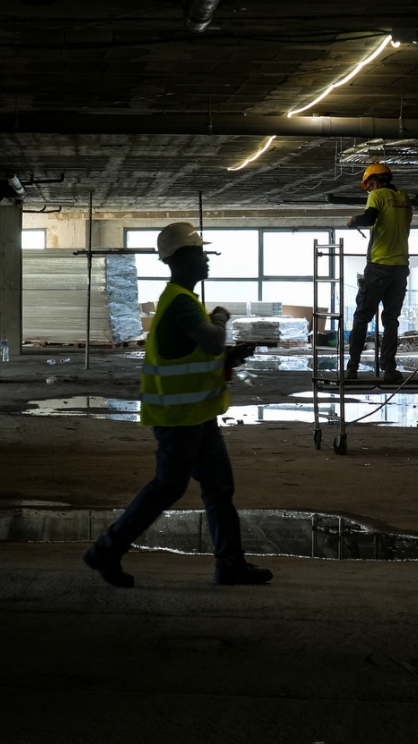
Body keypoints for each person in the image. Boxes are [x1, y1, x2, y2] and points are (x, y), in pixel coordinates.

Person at [82, 222, 271, 588]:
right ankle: (107, 548)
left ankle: (230, 563)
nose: (206, 260)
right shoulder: (183, 304)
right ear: (181, 259)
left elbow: (200, 354)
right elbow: (213, 341)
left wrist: (228, 361)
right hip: (179, 418)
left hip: (198, 415)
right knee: (168, 487)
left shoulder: (184, 301)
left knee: (218, 487)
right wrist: (221, 318)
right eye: (200, 253)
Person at [345, 163, 413, 383]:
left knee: (362, 317)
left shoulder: (377, 195)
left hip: (378, 266)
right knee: (391, 319)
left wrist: (354, 221)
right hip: (401, 268)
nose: (369, 190)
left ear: (373, 182)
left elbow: (370, 218)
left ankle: (352, 369)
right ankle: (389, 369)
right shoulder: (404, 198)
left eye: (368, 186)